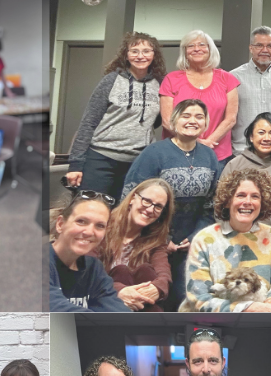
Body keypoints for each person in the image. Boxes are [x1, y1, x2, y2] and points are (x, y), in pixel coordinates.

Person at [123, 98, 225, 309]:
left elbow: (212, 205)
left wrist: (195, 236)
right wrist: (162, 238)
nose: (192, 121)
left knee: (186, 297)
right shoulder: (154, 153)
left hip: (191, 241)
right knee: (152, 297)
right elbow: (132, 199)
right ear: (173, 120)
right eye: (186, 116)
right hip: (150, 238)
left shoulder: (209, 156)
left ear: (206, 123)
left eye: (199, 117)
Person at [66, 32, 166, 201]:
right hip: (101, 159)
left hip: (138, 162)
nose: (140, 56)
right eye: (134, 51)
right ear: (126, 55)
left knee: (125, 216)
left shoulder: (160, 84)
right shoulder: (111, 81)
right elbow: (88, 123)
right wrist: (75, 164)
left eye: (146, 51)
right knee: (92, 210)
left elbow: (156, 120)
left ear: (154, 55)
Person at [180, 168, 271, 312]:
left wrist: (269, 312)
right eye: (240, 195)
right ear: (227, 201)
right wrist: (245, 309)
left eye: (255, 197)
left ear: (262, 203)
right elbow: (198, 298)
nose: (247, 202)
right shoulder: (204, 239)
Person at [160, 31, 241, 162]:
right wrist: (196, 142)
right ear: (185, 52)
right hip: (177, 152)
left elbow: (230, 119)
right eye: (190, 46)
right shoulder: (171, 79)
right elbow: (167, 121)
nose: (196, 49)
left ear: (210, 49)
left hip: (216, 155)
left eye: (202, 45)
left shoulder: (227, 79)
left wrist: (209, 142)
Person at [99, 178, 176, 311]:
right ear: (132, 198)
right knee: (121, 271)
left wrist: (157, 288)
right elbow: (89, 274)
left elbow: (163, 273)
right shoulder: (102, 225)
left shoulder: (156, 240)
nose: (150, 209)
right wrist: (119, 290)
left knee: (145, 270)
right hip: (101, 298)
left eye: (158, 206)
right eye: (146, 201)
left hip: (139, 305)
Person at [49, 193, 130, 312]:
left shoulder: (94, 268)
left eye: (100, 226)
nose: (89, 232)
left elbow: (117, 311)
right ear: (60, 224)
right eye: (81, 221)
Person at [229, 27, 271, 155]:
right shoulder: (233, 77)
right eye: (259, 45)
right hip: (242, 151)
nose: (265, 50)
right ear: (251, 48)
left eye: (270, 46)